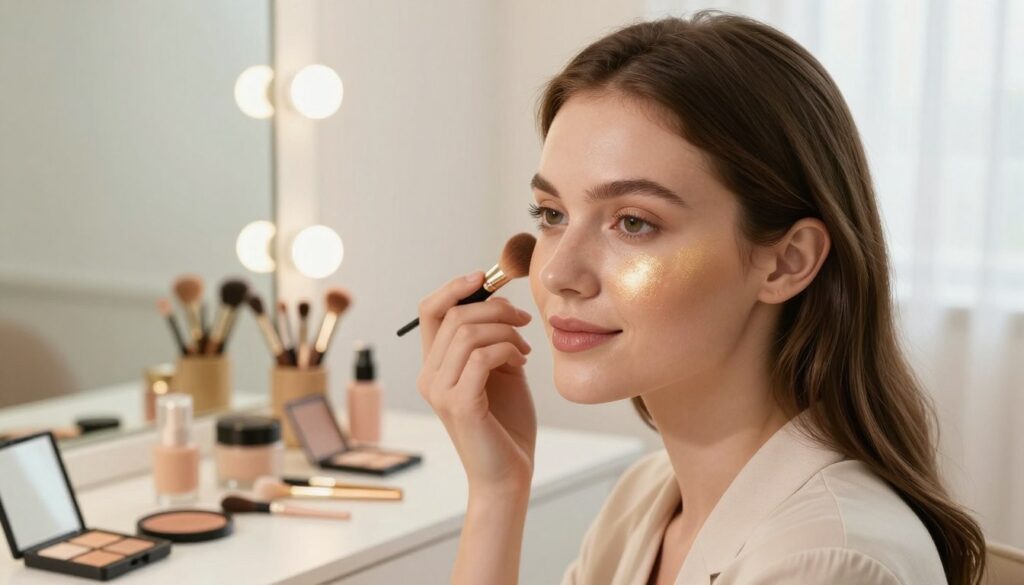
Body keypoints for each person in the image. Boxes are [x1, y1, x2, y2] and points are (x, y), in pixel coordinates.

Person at [414, 11, 986, 585]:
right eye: (552, 215)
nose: (560, 272)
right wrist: (496, 492)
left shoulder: (825, 563)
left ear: (788, 261)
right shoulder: (644, 504)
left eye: (633, 223)